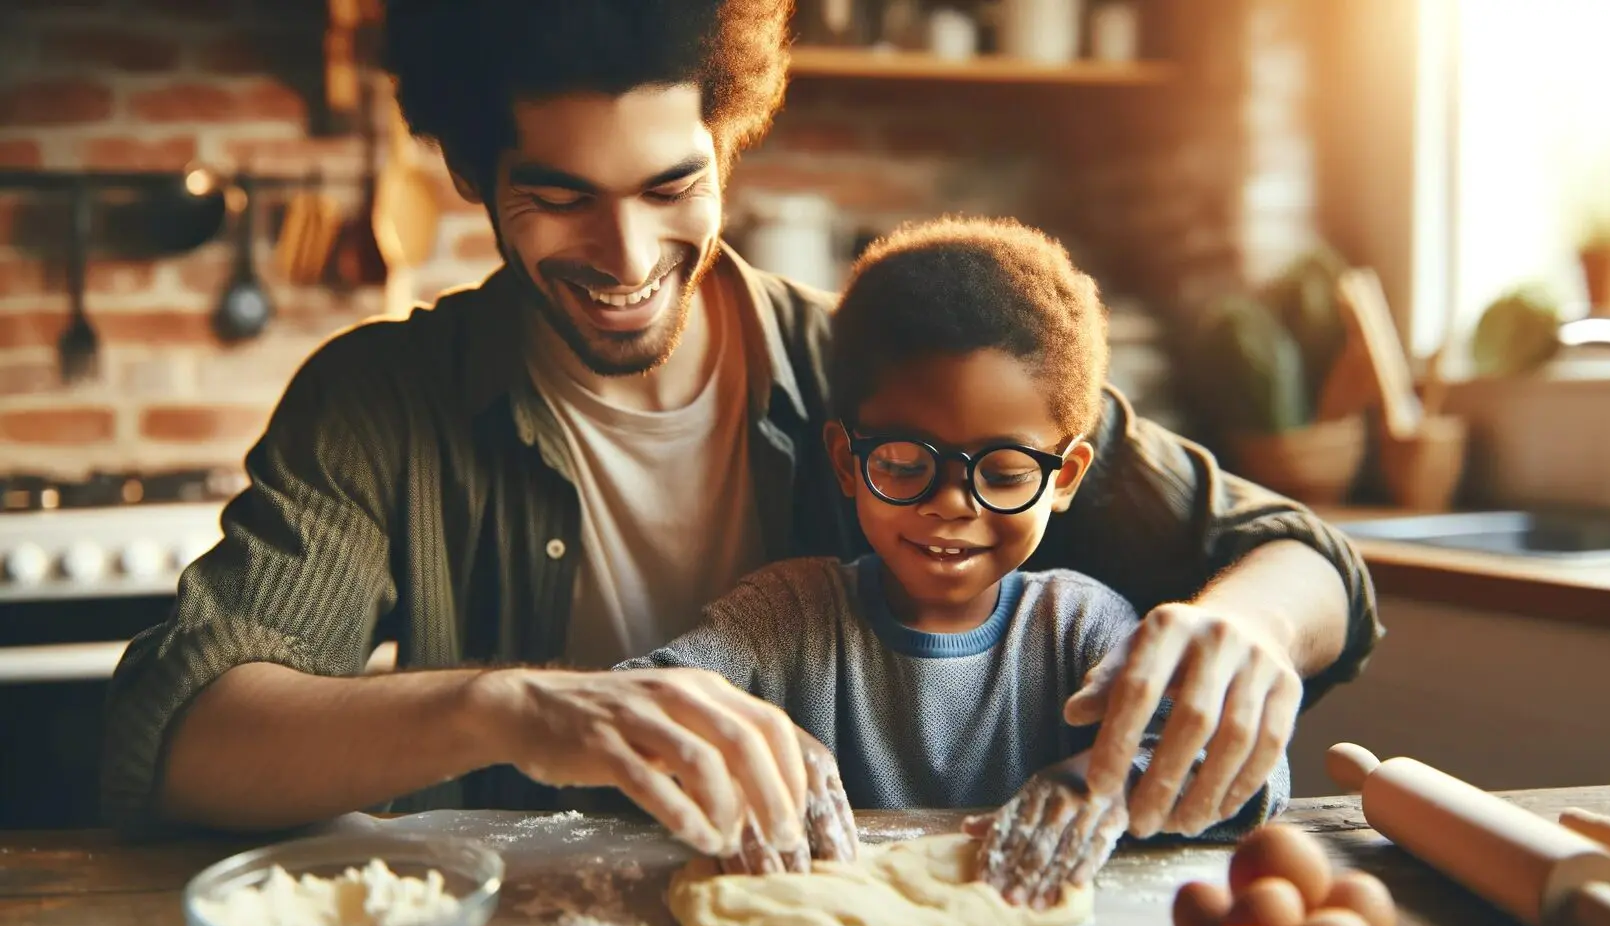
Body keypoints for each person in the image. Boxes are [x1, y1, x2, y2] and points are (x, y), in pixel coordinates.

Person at [101, 0, 1382, 875]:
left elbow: (1299, 555)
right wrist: (515, 710)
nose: (624, 258)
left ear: (730, 136)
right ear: (468, 171)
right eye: (557, 197)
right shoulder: (379, 400)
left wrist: (1251, 630)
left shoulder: (884, 367)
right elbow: (181, 741)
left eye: (673, 188)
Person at [616, 216, 1293, 908]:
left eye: (1002, 472)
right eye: (906, 464)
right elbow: (630, 709)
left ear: (1064, 479)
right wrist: (748, 742)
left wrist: (1099, 781)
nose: (951, 504)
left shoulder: (1079, 629)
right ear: (848, 462)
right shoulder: (785, 615)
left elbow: (1242, 769)